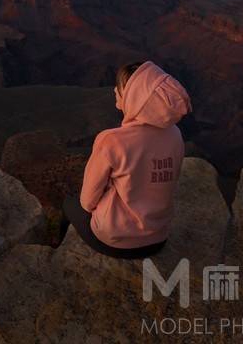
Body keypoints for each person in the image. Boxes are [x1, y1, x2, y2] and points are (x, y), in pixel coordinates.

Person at [62, 60, 191, 259]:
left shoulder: (112, 141)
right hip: (159, 238)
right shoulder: (174, 134)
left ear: (136, 98)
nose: (115, 90)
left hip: (116, 240)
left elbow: (88, 202)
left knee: (69, 205)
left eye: (122, 88)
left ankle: (58, 249)